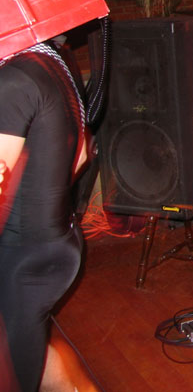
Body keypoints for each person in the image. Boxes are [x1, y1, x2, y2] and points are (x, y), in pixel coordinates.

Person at [0, 42, 90, 391]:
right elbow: (81, 156)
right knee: (28, 348)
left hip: (23, 260)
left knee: (14, 372)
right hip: (56, 243)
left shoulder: (12, 81)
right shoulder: (52, 59)